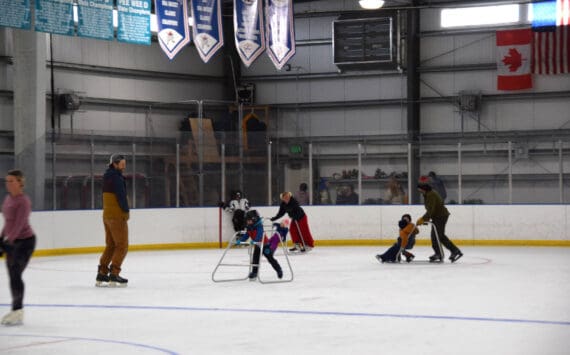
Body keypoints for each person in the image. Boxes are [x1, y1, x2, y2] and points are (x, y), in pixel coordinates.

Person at [0, 170, 36, 326]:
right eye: (7, 181)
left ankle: (18, 310)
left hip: (25, 242)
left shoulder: (24, 201)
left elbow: (19, 224)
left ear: (20, 182)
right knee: (13, 275)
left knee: (15, 274)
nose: (8, 184)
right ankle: (16, 310)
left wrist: (7, 243)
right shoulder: (7, 199)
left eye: (12, 181)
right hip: (12, 242)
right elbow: (7, 223)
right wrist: (1, 238)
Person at [96, 154, 130, 287]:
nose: (123, 167)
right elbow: (121, 196)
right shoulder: (117, 178)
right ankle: (114, 273)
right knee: (122, 245)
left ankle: (102, 272)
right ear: (115, 164)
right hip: (117, 216)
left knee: (110, 245)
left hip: (107, 215)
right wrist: (126, 211)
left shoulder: (107, 176)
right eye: (121, 165)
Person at [416, 182, 463, 263]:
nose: (419, 191)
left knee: (436, 236)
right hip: (437, 216)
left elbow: (431, 209)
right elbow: (431, 209)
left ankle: (445, 252)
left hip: (441, 216)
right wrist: (426, 218)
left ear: (423, 189)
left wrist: (423, 219)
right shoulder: (428, 194)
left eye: (419, 189)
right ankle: (450, 251)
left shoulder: (431, 194)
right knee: (438, 235)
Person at [243, 210, 283, 280]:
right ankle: (254, 273)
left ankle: (278, 270)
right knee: (255, 259)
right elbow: (246, 235)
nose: (248, 222)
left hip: (265, 245)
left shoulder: (259, 226)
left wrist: (255, 240)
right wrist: (240, 240)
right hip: (257, 245)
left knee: (270, 258)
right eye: (247, 221)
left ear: (254, 220)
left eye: (249, 221)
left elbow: (259, 235)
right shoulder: (249, 227)